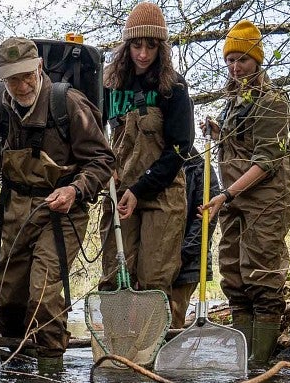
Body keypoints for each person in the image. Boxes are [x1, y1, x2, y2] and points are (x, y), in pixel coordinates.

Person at [0, 36, 114, 372]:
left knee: (43, 295)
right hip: (15, 210)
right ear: (1, 78)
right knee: (9, 300)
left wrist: (75, 191)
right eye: (11, 79)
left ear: (39, 67)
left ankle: (50, 370)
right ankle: (15, 370)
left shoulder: (68, 103)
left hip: (61, 211)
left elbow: (102, 160)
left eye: (26, 76)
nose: (20, 86)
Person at [198, 20, 290, 368]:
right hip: (235, 200)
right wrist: (217, 130)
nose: (235, 67)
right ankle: (244, 361)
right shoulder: (234, 100)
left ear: (257, 60)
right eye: (230, 60)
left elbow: (267, 161)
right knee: (234, 275)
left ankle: (261, 362)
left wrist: (225, 195)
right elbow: (240, 143)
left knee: (262, 276)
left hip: (265, 200)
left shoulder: (273, 101)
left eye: (242, 59)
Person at [96, 2, 196, 330]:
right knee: (115, 274)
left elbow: (179, 150)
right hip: (120, 189)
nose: (142, 53)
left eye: (150, 45)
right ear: (126, 47)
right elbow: (99, 133)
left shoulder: (174, 89)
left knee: (153, 280)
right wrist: (105, 165)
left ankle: (148, 356)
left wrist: (141, 190)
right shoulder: (110, 86)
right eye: (136, 45)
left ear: (160, 48)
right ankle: (116, 350)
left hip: (163, 195)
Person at [170, 148, 219, 329]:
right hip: (158, 260)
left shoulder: (201, 169)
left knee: (172, 319)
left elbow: (205, 224)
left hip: (187, 263)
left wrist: (181, 256)